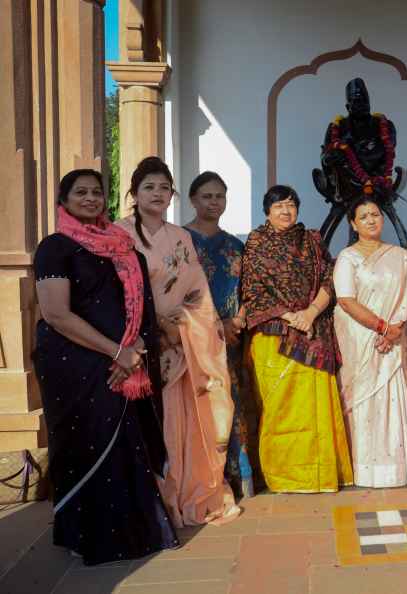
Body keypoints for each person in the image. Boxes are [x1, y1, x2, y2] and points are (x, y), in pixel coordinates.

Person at [33, 169, 178, 564]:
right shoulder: (55, 247)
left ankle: (132, 533)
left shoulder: (121, 246)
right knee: (84, 441)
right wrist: (116, 352)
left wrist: (136, 345)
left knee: (126, 445)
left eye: (96, 192)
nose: (90, 198)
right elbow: (56, 314)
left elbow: (142, 306)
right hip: (73, 364)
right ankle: (88, 537)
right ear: (64, 199)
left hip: (126, 359)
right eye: (80, 192)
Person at [117, 156, 240, 527]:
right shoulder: (119, 235)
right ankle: (151, 507)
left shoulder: (181, 237)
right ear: (135, 194)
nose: (157, 193)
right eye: (149, 187)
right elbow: (115, 292)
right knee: (148, 426)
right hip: (137, 345)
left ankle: (186, 496)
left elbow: (198, 291)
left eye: (163, 187)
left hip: (183, 346)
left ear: (173, 195)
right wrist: (154, 327)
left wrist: (183, 327)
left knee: (183, 425)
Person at [241, 185, 353, 493]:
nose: (285, 211)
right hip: (274, 337)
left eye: (290, 204)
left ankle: (320, 475)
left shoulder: (312, 240)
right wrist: (292, 317)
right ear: (267, 211)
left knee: (316, 408)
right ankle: (284, 475)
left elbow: (331, 278)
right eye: (278, 206)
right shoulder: (257, 243)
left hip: (313, 330)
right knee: (280, 408)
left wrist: (311, 312)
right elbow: (251, 291)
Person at [333, 198, 407, 488]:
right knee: (361, 399)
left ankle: (395, 468)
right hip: (359, 338)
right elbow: (345, 300)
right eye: (363, 216)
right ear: (354, 225)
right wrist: (381, 327)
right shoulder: (347, 257)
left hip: (394, 339)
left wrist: (395, 330)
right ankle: (364, 469)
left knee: (392, 396)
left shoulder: (402, 257)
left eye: (375, 215)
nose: (371, 220)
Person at [184, 171, 254, 499]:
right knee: (196, 406)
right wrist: (214, 325)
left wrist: (238, 319)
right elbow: (175, 293)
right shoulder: (179, 242)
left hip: (231, 341)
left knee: (231, 402)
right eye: (207, 196)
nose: (214, 202)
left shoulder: (236, 246)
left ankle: (237, 476)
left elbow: (249, 292)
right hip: (192, 339)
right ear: (192, 200)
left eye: (219, 196)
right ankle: (201, 481)